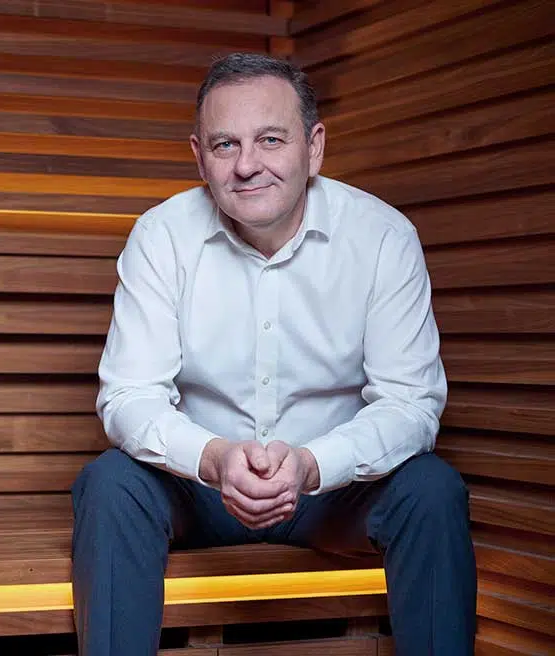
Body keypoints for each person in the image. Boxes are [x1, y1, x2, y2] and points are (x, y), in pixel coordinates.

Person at [71, 53, 475, 655]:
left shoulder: (384, 238)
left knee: (433, 491)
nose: (247, 165)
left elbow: (410, 404)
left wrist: (313, 465)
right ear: (198, 157)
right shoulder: (161, 237)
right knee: (108, 485)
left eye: (269, 139)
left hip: (334, 491)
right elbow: (129, 395)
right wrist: (213, 458)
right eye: (225, 144)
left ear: (314, 148)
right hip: (197, 487)